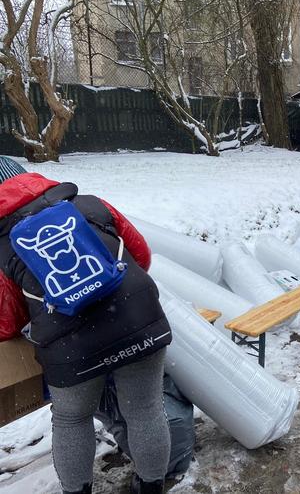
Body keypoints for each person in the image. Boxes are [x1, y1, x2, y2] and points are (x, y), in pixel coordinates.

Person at [0, 165, 172, 494]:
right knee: (145, 409)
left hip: (70, 345)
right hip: (138, 316)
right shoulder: (91, 205)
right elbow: (141, 256)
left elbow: (6, 320)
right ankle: (150, 488)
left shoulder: (2, 243)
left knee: (71, 419)